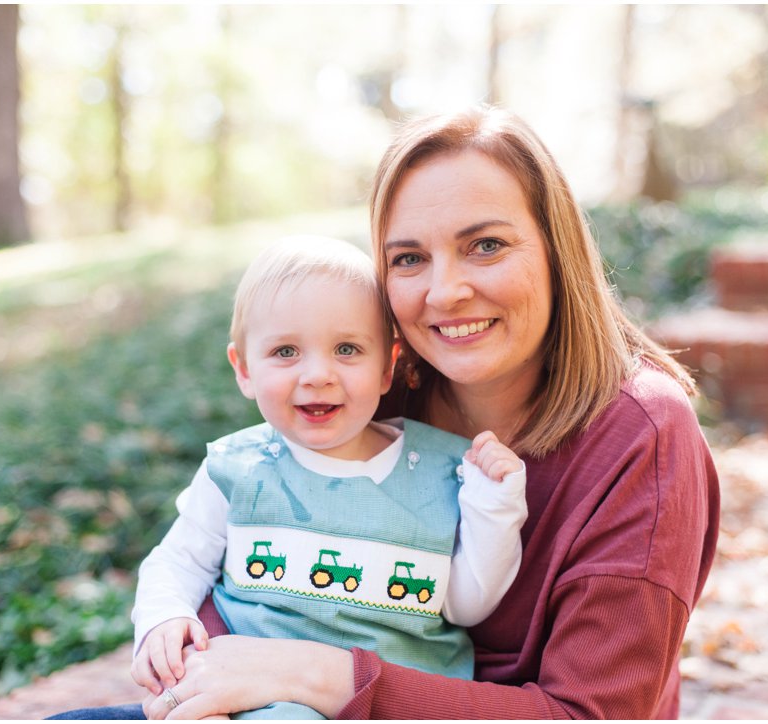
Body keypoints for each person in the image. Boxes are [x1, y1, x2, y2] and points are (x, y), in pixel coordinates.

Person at [56, 104, 719, 721]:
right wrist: (224, 665)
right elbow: (238, 541)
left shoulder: (643, 437)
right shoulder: (370, 391)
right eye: (409, 258)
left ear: (556, 249)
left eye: (485, 244)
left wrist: (327, 675)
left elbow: (586, 716)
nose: (445, 291)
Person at [124, 236, 526, 720]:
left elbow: (465, 605)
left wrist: (495, 509)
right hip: (258, 703)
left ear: (387, 366)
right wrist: (165, 618)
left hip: (395, 701)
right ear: (244, 369)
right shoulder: (238, 469)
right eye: (286, 351)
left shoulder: (444, 470)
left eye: (347, 349)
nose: (317, 374)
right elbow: (177, 561)